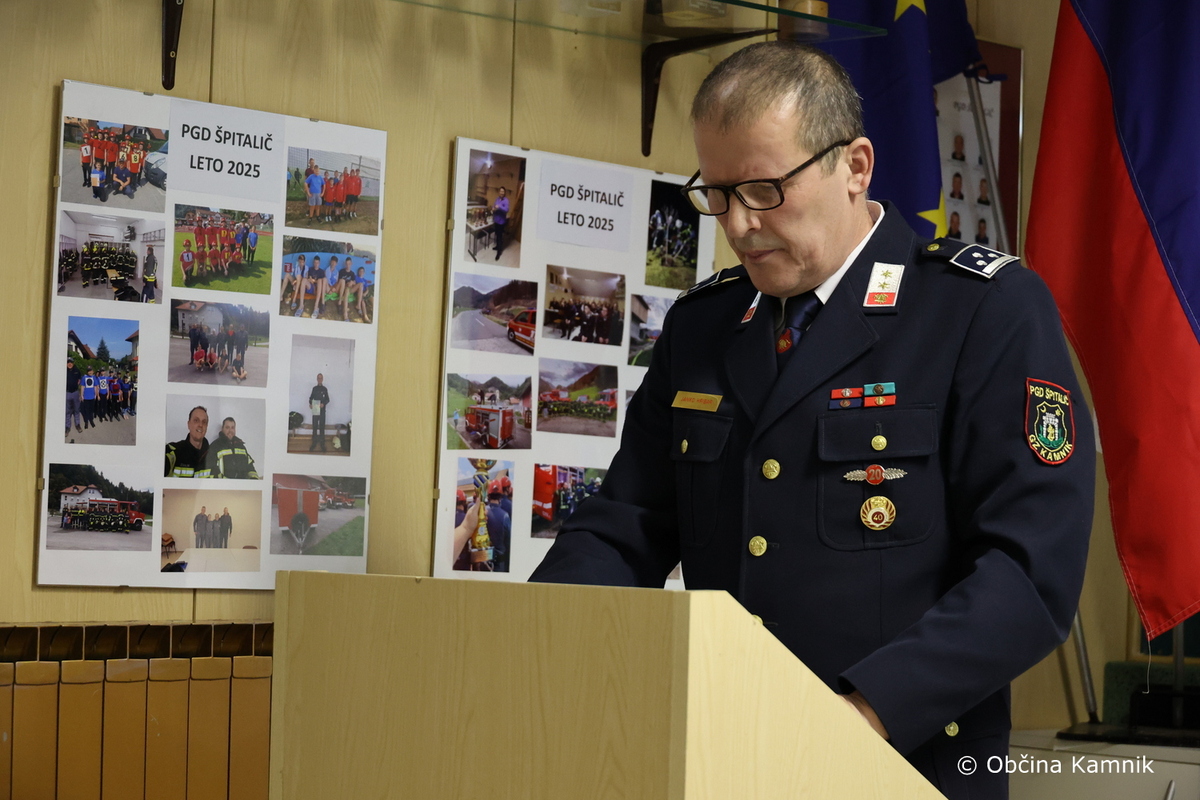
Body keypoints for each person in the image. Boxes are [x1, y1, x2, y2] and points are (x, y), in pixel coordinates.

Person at [527, 42, 1093, 800]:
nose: (738, 224)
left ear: (854, 166)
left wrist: (860, 713)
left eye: (765, 189)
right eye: (717, 194)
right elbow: (625, 524)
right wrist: (533, 641)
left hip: (901, 765)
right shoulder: (706, 324)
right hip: (722, 754)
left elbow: (1028, 572)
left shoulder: (979, 310)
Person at [165, 405, 212, 477]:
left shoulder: (213, 456)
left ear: (206, 427)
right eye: (196, 420)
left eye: (204, 422)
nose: (200, 425)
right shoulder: (173, 452)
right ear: (189, 424)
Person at [308, 373, 330, 451]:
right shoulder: (314, 388)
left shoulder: (325, 389)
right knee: (314, 427)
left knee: (321, 427)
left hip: (322, 411)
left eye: (321, 378)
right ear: (317, 379)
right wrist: (310, 404)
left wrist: (323, 404)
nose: (319, 379)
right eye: (318, 378)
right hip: (315, 410)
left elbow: (327, 399)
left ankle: (322, 444)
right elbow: (311, 398)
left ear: (322, 379)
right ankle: (314, 443)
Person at [65, 356, 83, 435]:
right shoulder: (63, 371)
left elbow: (79, 380)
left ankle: (77, 424)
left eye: (71, 362)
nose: (69, 364)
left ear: (73, 363)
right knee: (67, 411)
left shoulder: (77, 371)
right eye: (68, 362)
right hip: (67, 393)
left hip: (75, 393)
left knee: (76, 410)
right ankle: (67, 427)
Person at [492, 186, 510, 260]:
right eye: (500, 191)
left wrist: (499, 206)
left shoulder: (506, 200)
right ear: (499, 192)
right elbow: (494, 206)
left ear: (504, 192)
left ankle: (499, 252)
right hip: (496, 220)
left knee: (500, 237)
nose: (501, 193)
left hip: (501, 222)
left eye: (503, 191)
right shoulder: (497, 199)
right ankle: (497, 247)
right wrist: (493, 208)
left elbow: (506, 210)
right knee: (497, 235)